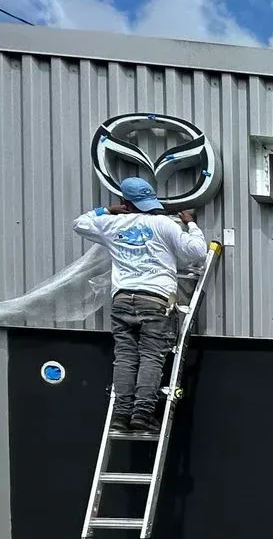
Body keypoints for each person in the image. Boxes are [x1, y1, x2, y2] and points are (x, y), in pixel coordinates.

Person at [72, 176, 209, 434]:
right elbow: (197, 252)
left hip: (122, 299)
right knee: (151, 357)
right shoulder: (163, 224)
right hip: (155, 299)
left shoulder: (111, 224)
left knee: (124, 357)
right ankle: (142, 415)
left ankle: (120, 415)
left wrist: (106, 210)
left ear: (125, 201)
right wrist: (191, 224)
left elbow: (79, 224)